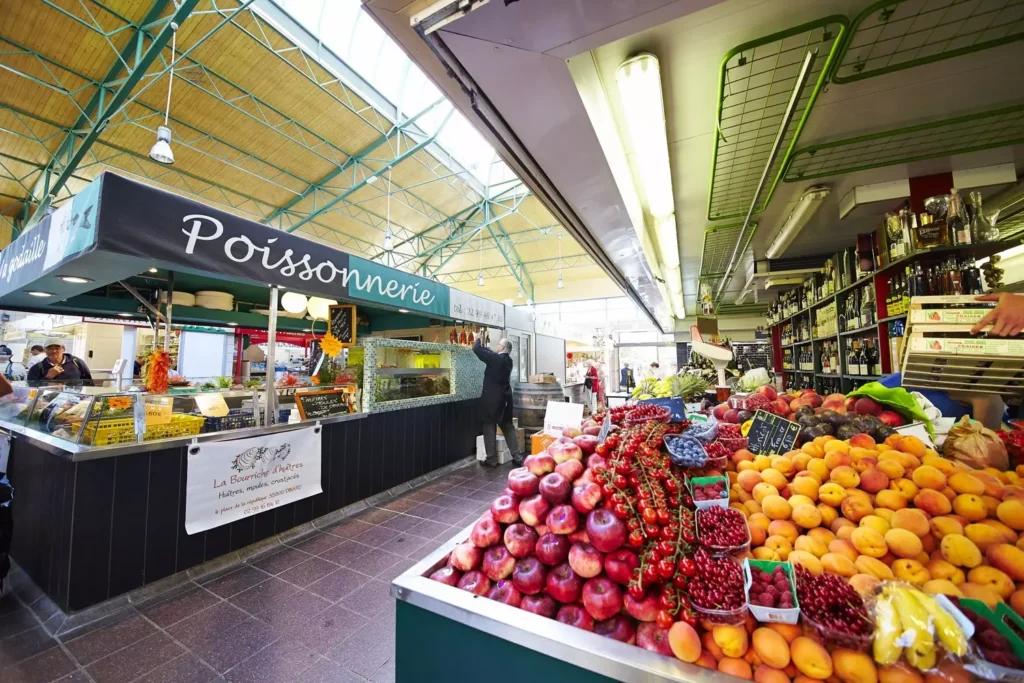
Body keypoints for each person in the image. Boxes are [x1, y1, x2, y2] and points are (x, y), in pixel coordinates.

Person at [472, 329, 523, 467]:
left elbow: (476, 350)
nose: (497, 346)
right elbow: (491, 354)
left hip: (492, 399)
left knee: (489, 425)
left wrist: (477, 338)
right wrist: (486, 346)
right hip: (506, 399)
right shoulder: (508, 361)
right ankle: (517, 456)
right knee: (507, 426)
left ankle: (491, 459)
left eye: (499, 344)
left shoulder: (496, 359)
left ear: (503, 347)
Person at [26, 341, 93, 385]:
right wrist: (48, 377)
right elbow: (32, 388)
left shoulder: (77, 362)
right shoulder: (37, 368)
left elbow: (89, 383)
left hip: (75, 403)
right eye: (50, 348)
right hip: (48, 404)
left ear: (63, 349)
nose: (54, 351)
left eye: (57, 348)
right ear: (45, 350)